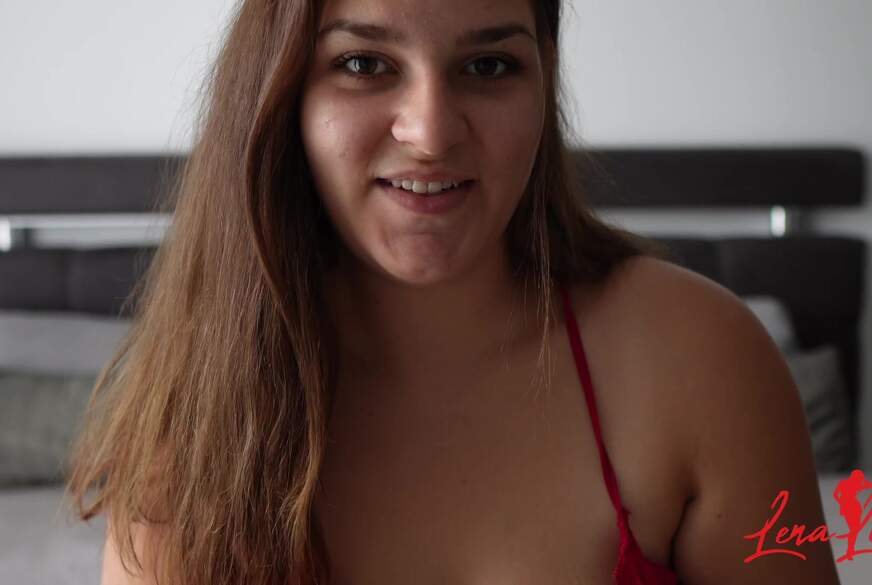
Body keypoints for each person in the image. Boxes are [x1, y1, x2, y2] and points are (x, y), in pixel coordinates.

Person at [65, 0, 841, 584]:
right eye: (364, 63)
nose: (431, 132)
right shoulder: (193, 429)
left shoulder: (702, 359)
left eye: (489, 66)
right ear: (282, 92)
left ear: (544, 81)